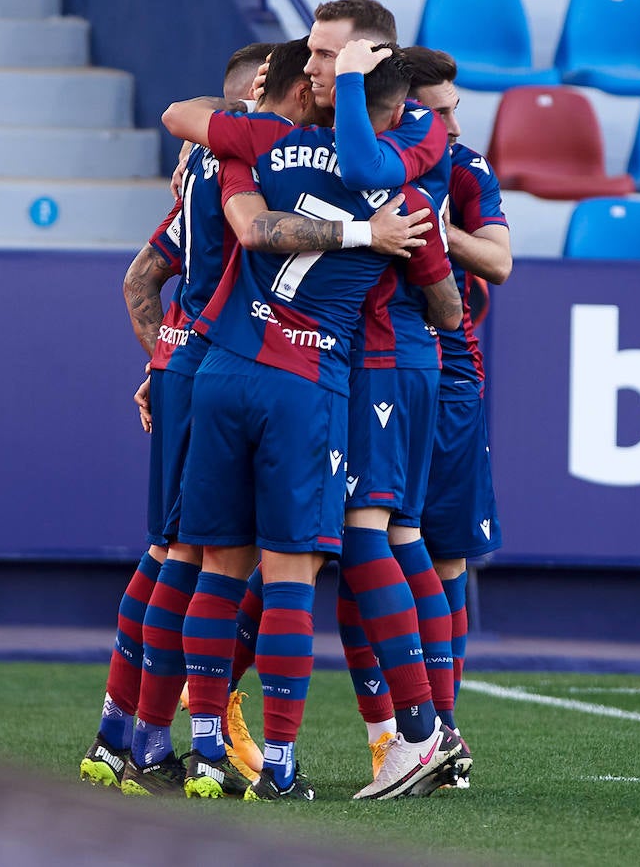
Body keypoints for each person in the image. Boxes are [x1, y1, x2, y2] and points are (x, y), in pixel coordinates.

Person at [95, 42, 432, 799]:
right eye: (311, 64)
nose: (318, 78)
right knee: (286, 573)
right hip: (301, 378)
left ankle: (152, 739)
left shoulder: (232, 153)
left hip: (208, 364)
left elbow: (152, 269)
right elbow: (444, 291)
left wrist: (164, 361)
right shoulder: (369, 168)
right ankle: (275, 759)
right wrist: (372, 235)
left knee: (182, 561)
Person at [333, 43, 513, 789]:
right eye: (434, 110)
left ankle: (440, 730)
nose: (446, 122)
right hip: (370, 360)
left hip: (447, 372)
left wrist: (437, 231)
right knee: (365, 545)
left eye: (451, 111)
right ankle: (403, 736)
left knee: (438, 555)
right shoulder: (374, 158)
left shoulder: (462, 168)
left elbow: (499, 262)